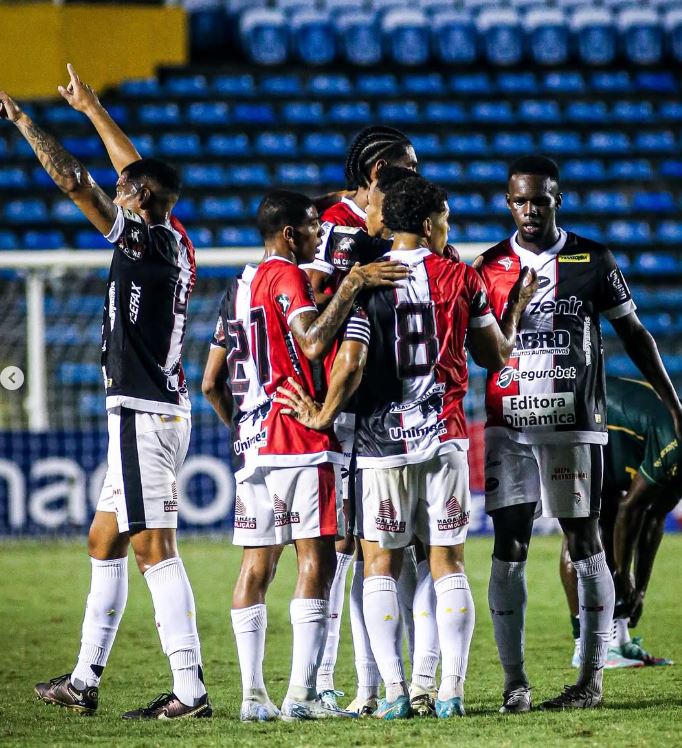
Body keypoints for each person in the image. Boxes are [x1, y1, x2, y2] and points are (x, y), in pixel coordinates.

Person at [276, 176, 537, 719]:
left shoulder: (369, 281)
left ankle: (394, 692)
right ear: (426, 223)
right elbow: (495, 354)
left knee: (380, 565)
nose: (449, 229)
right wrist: (513, 310)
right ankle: (450, 692)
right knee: (447, 562)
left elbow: (350, 361)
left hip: (380, 443)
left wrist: (322, 415)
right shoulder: (460, 277)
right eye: (444, 220)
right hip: (442, 436)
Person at [0, 83, 210, 719]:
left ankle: (191, 689)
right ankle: (85, 680)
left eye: (127, 191)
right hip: (150, 410)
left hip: (145, 414)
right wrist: (92, 108)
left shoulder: (145, 242)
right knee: (104, 540)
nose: (117, 192)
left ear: (140, 202)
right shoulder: (169, 236)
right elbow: (130, 172)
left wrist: (26, 123)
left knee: (154, 549)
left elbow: (77, 183)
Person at [476, 155, 682, 712]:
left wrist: (671, 399)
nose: (529, 210)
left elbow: (634, 334)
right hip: (510, 425)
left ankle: (590, 680)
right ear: (508, 202)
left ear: (556, 199)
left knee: (584, 540)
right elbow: (478, 352)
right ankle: (515, 684)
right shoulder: (489, 266)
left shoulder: (592, 259)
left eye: (539, 199)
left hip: (574, 425)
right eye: (520, 200)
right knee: (509, 545)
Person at [201, 189, 408, 721]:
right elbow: (313, 342)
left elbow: (209, 383)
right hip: (298, 438)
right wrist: (356, 283)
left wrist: (246, 428)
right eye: (314, 227)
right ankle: (302, 694)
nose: (322, 236)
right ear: (290, 234)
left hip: (253, 444)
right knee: (315, 561)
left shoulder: (239, 287)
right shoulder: (287, 275)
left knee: (255, 566)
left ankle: (252, 696)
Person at [560, 376, 678, 668]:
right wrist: (625, 574)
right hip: (583, 417)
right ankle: (583, 646)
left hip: (616, 429)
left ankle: (618, 641)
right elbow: (632, 509)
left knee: (613, 520)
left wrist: (639, 590)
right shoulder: (676, 447)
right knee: (580, 528)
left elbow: (654, 517)